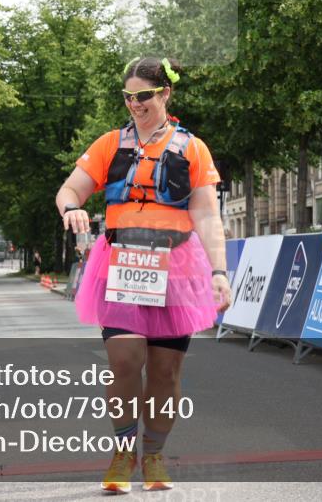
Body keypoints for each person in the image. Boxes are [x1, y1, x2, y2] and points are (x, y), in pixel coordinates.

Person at [55, 56, 232, 494]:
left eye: (144, 96)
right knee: (125, 360)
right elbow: (70, 188)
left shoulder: (192, 148)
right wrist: (72, 208)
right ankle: (123, 450)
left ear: (165, 94)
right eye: (129, 97)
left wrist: (219, 272)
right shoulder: (109, 144)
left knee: (166, 372)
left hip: (176, 268)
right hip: (120, 264)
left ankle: (153, 454)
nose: (135, 104)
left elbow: (208, 217)